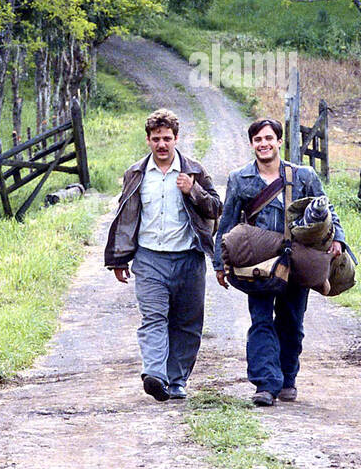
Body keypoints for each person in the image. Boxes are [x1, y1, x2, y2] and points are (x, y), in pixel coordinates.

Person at [213, 118, 348, 406]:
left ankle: (287, 378)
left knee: (291, 323)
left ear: (278, 142)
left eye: (268, 138)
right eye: (257, 140)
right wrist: (219, 263)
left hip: (296, 259)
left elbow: (327, 210)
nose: (263, 144)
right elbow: (226, 223)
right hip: (257, 261)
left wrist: (338, 240)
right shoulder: (240, 178)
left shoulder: (303, 176)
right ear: (252, 144)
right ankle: (265, 384)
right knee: (261, 321)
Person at [104, 109, 222, 402]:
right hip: (149, 259)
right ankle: (155, 375)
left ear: (176, 139)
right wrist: (119, 259)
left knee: (187, 322)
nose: (162, 144)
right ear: (148, 140)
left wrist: (193, 190)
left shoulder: (194, 171)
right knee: (154, 317)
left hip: (188, 257)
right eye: (156, 139)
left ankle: (177, 379)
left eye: (167, 138)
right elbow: (125, 216)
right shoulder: (136, 174)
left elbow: (216, 209)